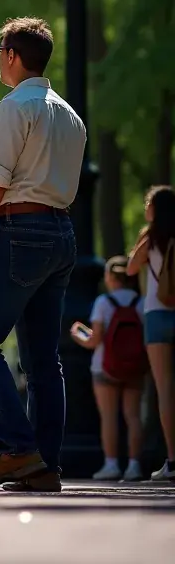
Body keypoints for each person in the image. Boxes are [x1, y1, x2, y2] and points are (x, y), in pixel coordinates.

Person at [0, 17, 85, 491]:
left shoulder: (12, 107)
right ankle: (45, 463)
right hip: (60, 232)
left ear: (12, 55)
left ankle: (14, 449)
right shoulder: (69, 115)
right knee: (44, 359)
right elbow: (29, 176)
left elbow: (0, 186)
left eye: (0, 51)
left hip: (16, 233)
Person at [69, 255, 146, 482]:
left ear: (110, 278)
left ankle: (111, 464)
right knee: (133, 416)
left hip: (105, 368)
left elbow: (94, 341)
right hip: (135, 368)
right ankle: (134, 466)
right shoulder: (140, 303)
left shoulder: (103, 302)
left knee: (109, 417)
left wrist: (77, 333)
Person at [127, 184, 175, 482]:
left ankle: (172, 460)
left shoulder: (152, 236)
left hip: (158, 315)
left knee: (165, 388)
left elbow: (131, 268)